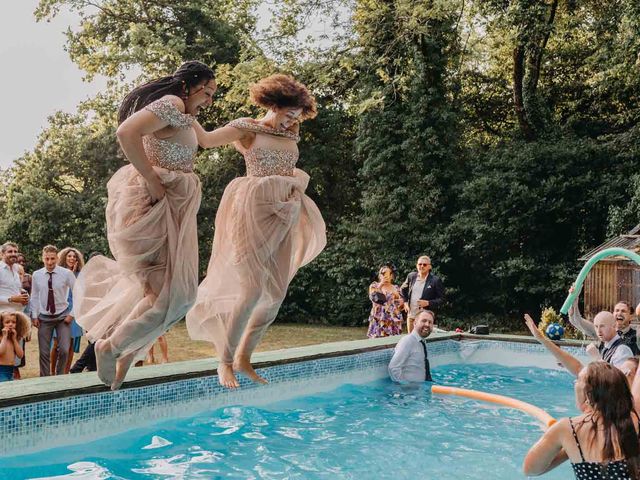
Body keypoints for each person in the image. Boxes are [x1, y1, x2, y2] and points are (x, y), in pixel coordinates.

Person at [73, 61, 216, 390]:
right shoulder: (173, 103)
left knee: (173, 296)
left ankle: (124, 353)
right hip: (155, 206)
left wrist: (256, 127)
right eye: (206, 91)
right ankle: (110, 347)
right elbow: (126, 132)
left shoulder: (185, 115)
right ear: (188, 85)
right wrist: (151, 178)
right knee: (172, 297)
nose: (209, 99)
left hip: (172, 205)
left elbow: (208, 141)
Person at [186, 74, 326, 389]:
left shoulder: (293, 131)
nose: (290, 122)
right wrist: (187, 113)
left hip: (284, 214)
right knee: (250, 291)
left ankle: (244, 358)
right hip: (251, 213)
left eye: (296, 117)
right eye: (288, 114)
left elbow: (286, 158)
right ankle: (224, 362)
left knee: (275, 294)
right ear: (273, 105)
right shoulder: (248, 128)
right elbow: (207, 140)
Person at [523, 361, 640, 479]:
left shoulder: (568, 429)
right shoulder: (635, 419)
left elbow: (531, 469)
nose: (575, 382)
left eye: (578, 379)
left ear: (588, 393)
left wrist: (570, 444)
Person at [524, 313, 639, 385]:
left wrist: (598, 358)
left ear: (614, 326)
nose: (598, 330)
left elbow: (620, 385)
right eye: (596, 326)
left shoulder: (622, 349)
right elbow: (581, 370)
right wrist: (542, 339)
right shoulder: (607, 346)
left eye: (602, 326)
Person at [30, 245, 76, 376]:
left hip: (63, 317)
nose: (50, 262)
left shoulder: (67, 274)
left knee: (64, 350)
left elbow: (79, 293)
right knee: (44, 352)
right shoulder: (36, 275)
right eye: (47, 259)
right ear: (42, 258)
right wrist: (34, 315)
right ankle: (45, 378)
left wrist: (71, 315)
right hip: (44, 317)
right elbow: (34, 296)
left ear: (57, 258)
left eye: (52, 259)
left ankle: (60, 376)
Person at [51, 247, 85, 374]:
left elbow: (81, 293)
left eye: (74, 256)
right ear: (64, 258)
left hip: (74, 310)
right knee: (57, 344)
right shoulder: (57, 273)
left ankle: (65, 372)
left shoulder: (79, 275)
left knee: (70, 343)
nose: (72, 258)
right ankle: (52, 372)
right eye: (69, 256)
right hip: (59, 310)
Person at [400, 255, 445, 333]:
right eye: (420, 264)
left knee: (424, 340)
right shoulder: (411, 276)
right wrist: (405, 302)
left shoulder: (435, 280)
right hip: (411, 316)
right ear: (416, 265)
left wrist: (428, 303)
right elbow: (403, 289)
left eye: (424, 264)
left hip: (425, 319)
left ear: (429, 267)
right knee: (411, 339)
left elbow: (442, 299)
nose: (422, 266)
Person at [388, 310, 435, 383]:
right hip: (410, 392)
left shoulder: (422, 342)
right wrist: (406, 387)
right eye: (424, 321)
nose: (427, 324)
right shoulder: (407, 341)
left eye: (430, 322)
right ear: (415, 323)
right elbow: (393, 368)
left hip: (421, 389)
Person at [367, 264, 404, 338]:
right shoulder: (374, 286)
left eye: (387, 274)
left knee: (393, 341)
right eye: (383, 273)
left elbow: (401, 304)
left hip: (392, 319)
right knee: (377, 342)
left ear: (391, 276)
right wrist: (381, 284)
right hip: (379, 318)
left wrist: (399, 299)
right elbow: (373, 298)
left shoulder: (396, 288)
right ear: (379, 276)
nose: (385, 276)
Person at [0, 311, 29, 382]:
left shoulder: (14, 338)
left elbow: (20, 355)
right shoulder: (1, 338)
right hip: (1, 370)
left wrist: (15, 340)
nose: (11, 324)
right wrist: (4, 337)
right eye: (7, 322)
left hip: (11, 370)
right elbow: (1, 352)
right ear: (1, 324)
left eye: (13, 322)